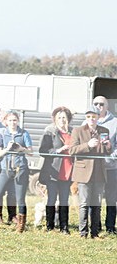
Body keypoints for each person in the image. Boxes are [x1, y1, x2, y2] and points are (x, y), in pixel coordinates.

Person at [0, 111, 34, 232]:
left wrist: (21, 149)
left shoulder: (24, 133)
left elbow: (31, 151)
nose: (12, 123)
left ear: (18, 121)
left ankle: (21, 225)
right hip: (6, 169)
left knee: (20, 198)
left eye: (15, 120)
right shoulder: (2, 134)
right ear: (6, 122)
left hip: (20, 168)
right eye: (10, 120)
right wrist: (7, 148)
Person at [69, 110, 112, 238]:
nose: (91, 119)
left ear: (98, 117)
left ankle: (94, 233)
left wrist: (108, 146)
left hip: (99, 172)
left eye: (94, 116)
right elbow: (72, 150)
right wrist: (87, 145)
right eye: (88, 116)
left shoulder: (104, 130)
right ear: (86, 118)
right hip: (83, 172)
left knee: (97, 205)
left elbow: (107, 151)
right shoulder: (78, 131)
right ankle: (83, 233)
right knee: (84, 204)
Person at [38, 106, 74, 234]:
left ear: (68, 118)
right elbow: (42, 151)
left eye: (64, 117)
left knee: (64, 200)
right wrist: (58, 150)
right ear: (55, 119)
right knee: (51, 199)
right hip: (53, 171)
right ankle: (50, 226)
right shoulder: (50, 131)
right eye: (59, 117)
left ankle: (64, 227)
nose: (62, 120)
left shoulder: (73, 132)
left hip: (68, 171)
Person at [93, 96, 117, 234]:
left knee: (111, 199)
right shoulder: (89, 121)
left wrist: (111, 157)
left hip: (111, 167)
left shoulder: (115, 122)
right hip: (95, 168)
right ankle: (96, 225)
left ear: (107, 106)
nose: (98, 106)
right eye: (95, 103)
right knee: (95, 198)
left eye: (101, 104)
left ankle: (110, 227)